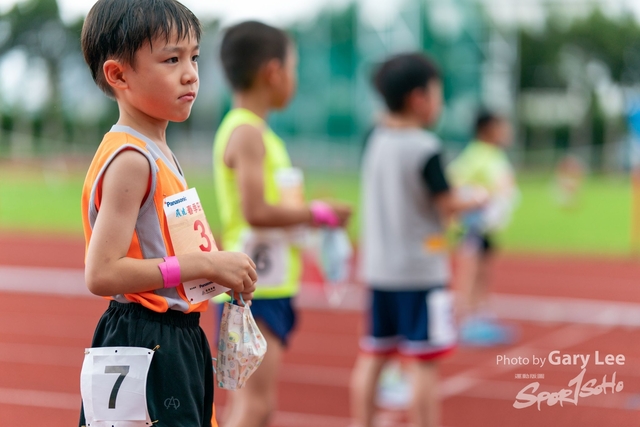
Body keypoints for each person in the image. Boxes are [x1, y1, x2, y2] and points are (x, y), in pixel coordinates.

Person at [78, 1, 257, 426]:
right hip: (147, 338)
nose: (191, 72)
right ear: (118, 74)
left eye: (194, 57)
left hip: (174, 337)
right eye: (171, 59)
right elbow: (101, 273)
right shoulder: (132, 158)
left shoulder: (156, 150)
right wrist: (202, 264)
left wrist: (215, 269)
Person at [213, 21, 351, 427]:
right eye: (294, 68)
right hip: (255, 286)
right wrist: (318, 213)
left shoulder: (256, 132)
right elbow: (255, 209)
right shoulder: (247, 133)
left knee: (257, 405)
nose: (294, 79)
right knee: (254, 406)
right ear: (273, 72)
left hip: (263, 282)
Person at [351, 52, 485, 427]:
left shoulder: (374, 139)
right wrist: (475, 196)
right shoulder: (427, 148)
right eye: (437, 93)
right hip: (422, 274)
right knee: (425, 364)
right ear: (419, 98)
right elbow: (448, 204)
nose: (440, 102)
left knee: (374, 356)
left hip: (379, 271)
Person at [447, 110, 519, 346]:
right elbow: (454, 183)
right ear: (487, 129)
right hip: (473, 227)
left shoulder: (493, 154)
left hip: (487, 227)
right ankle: (466, 320)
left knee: (484, 270)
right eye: (501, 126)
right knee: (472, 270)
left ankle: (481, 315)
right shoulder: (477, 155)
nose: (506, 132)